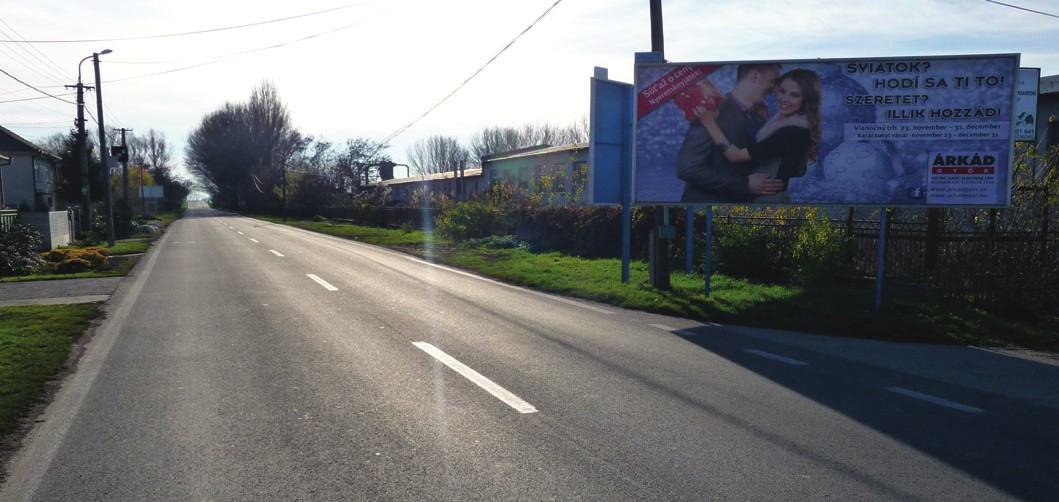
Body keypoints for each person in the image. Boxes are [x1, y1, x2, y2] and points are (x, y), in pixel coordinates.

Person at [695, 68, 822, 203]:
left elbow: (735, 155)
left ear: (807, 99)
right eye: (782, 91)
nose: (784, 99)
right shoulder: (782, 122)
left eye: (795, 95)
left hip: (768, 202)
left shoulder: (792, 131)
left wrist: (709, 123)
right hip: (761, 199)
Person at [676, 63, 784, 203]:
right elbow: (688, 168)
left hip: (740, 211)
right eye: (773, 82)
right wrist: (743, 184)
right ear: (755, 76)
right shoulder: (711, 111)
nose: (775, 89)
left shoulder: (759, 117)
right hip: (705, 212)